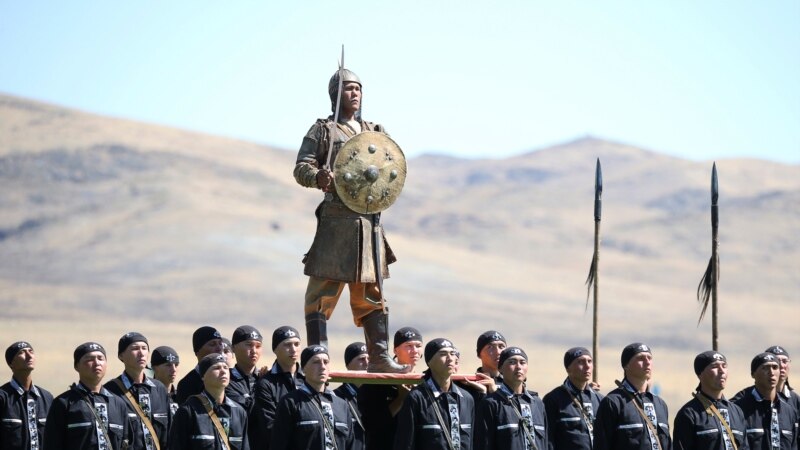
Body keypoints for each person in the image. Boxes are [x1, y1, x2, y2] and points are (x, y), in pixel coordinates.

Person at [294, 66, 407, 374]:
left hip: (369, 223)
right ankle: (317, 355)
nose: (354, 93)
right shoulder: (322, 130)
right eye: (348, 88)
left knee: (372, 292)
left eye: (358, 88)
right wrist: (318, 176)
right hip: (336, 221)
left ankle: (380, 356)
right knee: (321, 292)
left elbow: (388, 168)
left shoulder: (374, 131)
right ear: (335, 94)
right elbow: (301, 167)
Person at [44, 342, 134, 450]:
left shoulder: (119, 404)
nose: (97, 363)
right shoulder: (63, 403)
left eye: (101, 358)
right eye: (89, 359)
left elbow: (128, 445)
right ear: (77, 366)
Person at [394, 338, 474, 450]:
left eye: (452, 353)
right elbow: (405, 443)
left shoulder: (467, 398)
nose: (450, 358)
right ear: (429, 361)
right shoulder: (416, 398)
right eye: (443, 354)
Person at [270, 345, 354, 450]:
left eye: (326, 362)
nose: (322, 366)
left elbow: (350, 445)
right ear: (303, 369)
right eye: (316, 362)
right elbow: (279, 444)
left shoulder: (342, 405)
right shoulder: (290, 402)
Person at [593, 343, 671, 450]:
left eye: (649, 358)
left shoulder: (660, 404)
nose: (647, 362)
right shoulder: (613, 402)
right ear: (626, 365)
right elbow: (602, 445)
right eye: (640, 358)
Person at [358, 326, 423, 449]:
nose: (414, 350)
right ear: (395, 350)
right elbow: (373, 426)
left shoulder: (424, 383)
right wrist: (401, 399)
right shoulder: (376, 384)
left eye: (418, 346)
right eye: (408, 346)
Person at [105, 333, 171, 450]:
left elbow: (170, 433)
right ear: (121, 356)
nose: (141, 353)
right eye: (135, 348)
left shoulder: (159, 389)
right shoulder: (110, 391)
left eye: (144, 348)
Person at [169, 353, 249, 450]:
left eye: (225, 367)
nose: (223, 371)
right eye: (217, 368)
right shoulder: (189, 411)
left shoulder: (239, 412)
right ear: (203, 376)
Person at [474, 346, 548, 450]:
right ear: (500, 369)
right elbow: (483, 445)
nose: (518, 367)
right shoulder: (490, 404)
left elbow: (545, 443)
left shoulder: (537, 403)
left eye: (522, 362)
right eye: (512, 362)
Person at [673, 351, 748, 449]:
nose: (721, 371)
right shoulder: (689, 414)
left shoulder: (736, 412)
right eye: (715, 366)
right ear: (700, 374)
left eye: (724, 366)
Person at [248, 326, 304, 450]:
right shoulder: (266, 384)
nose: (293, 349)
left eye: (297, 344)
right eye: (287, 345)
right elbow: (271, 428)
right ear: (275, 349)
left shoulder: (309, 380)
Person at [543, 346, 604, 449]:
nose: (587, 366)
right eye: (581, 362)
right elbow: (548, 440)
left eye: (589, 361)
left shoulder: (600, 399)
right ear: (568, 368)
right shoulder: (553, 399)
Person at [734, 352, 798, 449]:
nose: (771, 372)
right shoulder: (738, 409)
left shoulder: (789, 411)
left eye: (775, 367)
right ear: (753, 374)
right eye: (765, 368)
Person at [0, 341, 53, 450]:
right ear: (11, 363)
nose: (29, 356)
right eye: (22, 353)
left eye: (31, 351)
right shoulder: (2, 397)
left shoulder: (47, 398)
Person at [176, 326, 224, 404]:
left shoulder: (229, 379)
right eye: (212, 344)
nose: (219, 348)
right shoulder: (187, 384)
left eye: (220, 343)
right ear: (198, 351)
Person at [333, 342, 368, 450]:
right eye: (361, 359)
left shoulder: (378, 395)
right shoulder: (335, 398)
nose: (367, 363)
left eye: (369, 358)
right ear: (348, 365)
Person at [226, 326, 263, 412]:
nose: (254, 351)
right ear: (233, 348)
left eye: (258, 346)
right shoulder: (226, 380)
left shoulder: (266, 379)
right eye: (249, 345)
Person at [765, 345, 800, 417]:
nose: (781, 365)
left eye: (785, 361)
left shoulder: (795, 401)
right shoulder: (747, 398)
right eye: (776, 361)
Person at [150, 346, 180, 416]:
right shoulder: (148, 397)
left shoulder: (181, 397)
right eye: (168, 365)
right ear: (154, 368)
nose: (174, 369)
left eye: (176, 365)